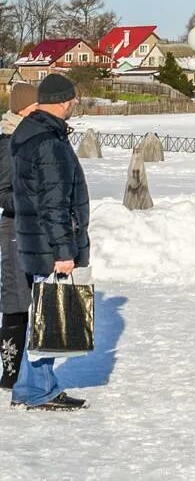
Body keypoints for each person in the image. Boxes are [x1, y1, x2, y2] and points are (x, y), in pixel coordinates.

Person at [9, 73, 91, 410]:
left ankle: (31, 386)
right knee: (50, 319)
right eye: (72, 99)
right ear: (63, 101)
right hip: (48, 244)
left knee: (43, 316)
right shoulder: (49, 143)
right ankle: (37, 390)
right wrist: (63, 251)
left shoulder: (29, 133)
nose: (73, 104)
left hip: (33, 240)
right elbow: (54, 202)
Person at [1, 82, 37, 390]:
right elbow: (4, 193)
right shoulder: (8, 142)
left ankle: (30, 366)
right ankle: (9, 372)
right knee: (15, 298)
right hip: (14, 228)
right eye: (36, 108)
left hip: (33, 227)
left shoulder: (30, 139)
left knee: (31, 299)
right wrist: (31, 201)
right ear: (24, 109)